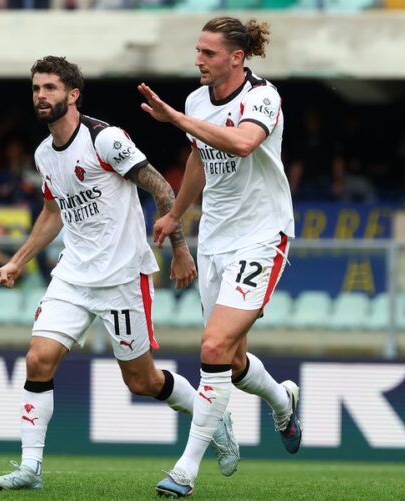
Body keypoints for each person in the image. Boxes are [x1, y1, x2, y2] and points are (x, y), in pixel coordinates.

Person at [0, 56, 239, 492]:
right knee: (38, 359)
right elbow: (52, 213)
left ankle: (210, 415)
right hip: (73, 276)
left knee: (142, 380)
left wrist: (179, 249)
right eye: (35, 88)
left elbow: (161, 187)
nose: (40, 96)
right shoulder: (45, 153)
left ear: (73, 94)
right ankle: (30, 468)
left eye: (49, 88)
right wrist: (17, 261)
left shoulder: (106, 140)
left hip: (122, 276)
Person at [138, 17, 301, 497]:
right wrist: (176, 215)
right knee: (229, 362)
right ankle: (282, 400)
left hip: (261, 237)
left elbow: (242, 141)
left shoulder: (262, 97)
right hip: (214, 239)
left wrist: (177, 120)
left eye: (208, 53)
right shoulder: (194, 101)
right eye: (198, 51)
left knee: (211, 348)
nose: (198, 60)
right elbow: (198, 158)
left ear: (236, 57)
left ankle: (185, 470)